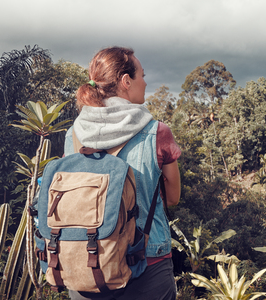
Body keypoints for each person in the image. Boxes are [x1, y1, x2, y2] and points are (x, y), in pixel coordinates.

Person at [63, 46, 181, 300]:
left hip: (85, 265)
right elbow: (172, 197)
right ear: (126, 81)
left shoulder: (73, 134)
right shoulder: (157, 132)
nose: (146, 82)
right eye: (142, 75)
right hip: (147, 265)